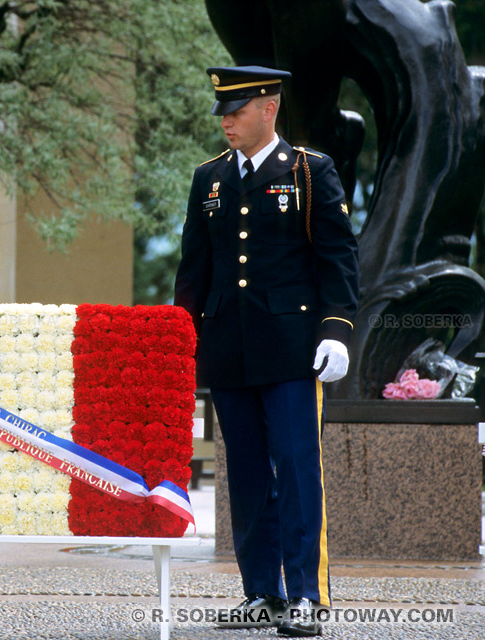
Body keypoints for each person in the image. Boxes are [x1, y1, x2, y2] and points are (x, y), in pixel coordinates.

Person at [174, 66, 359, 637]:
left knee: (299, 470)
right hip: (230, 351)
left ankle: (306, 595)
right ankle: (263, 593)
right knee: (248, 475)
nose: (226, 121)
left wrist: (337, 329)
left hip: (291, 351)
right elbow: (194, 273)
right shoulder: (208, 179)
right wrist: (181, 344)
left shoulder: (309, 171)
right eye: (222, 113)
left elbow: (337, 259)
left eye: (237, 110)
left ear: (269, 109)